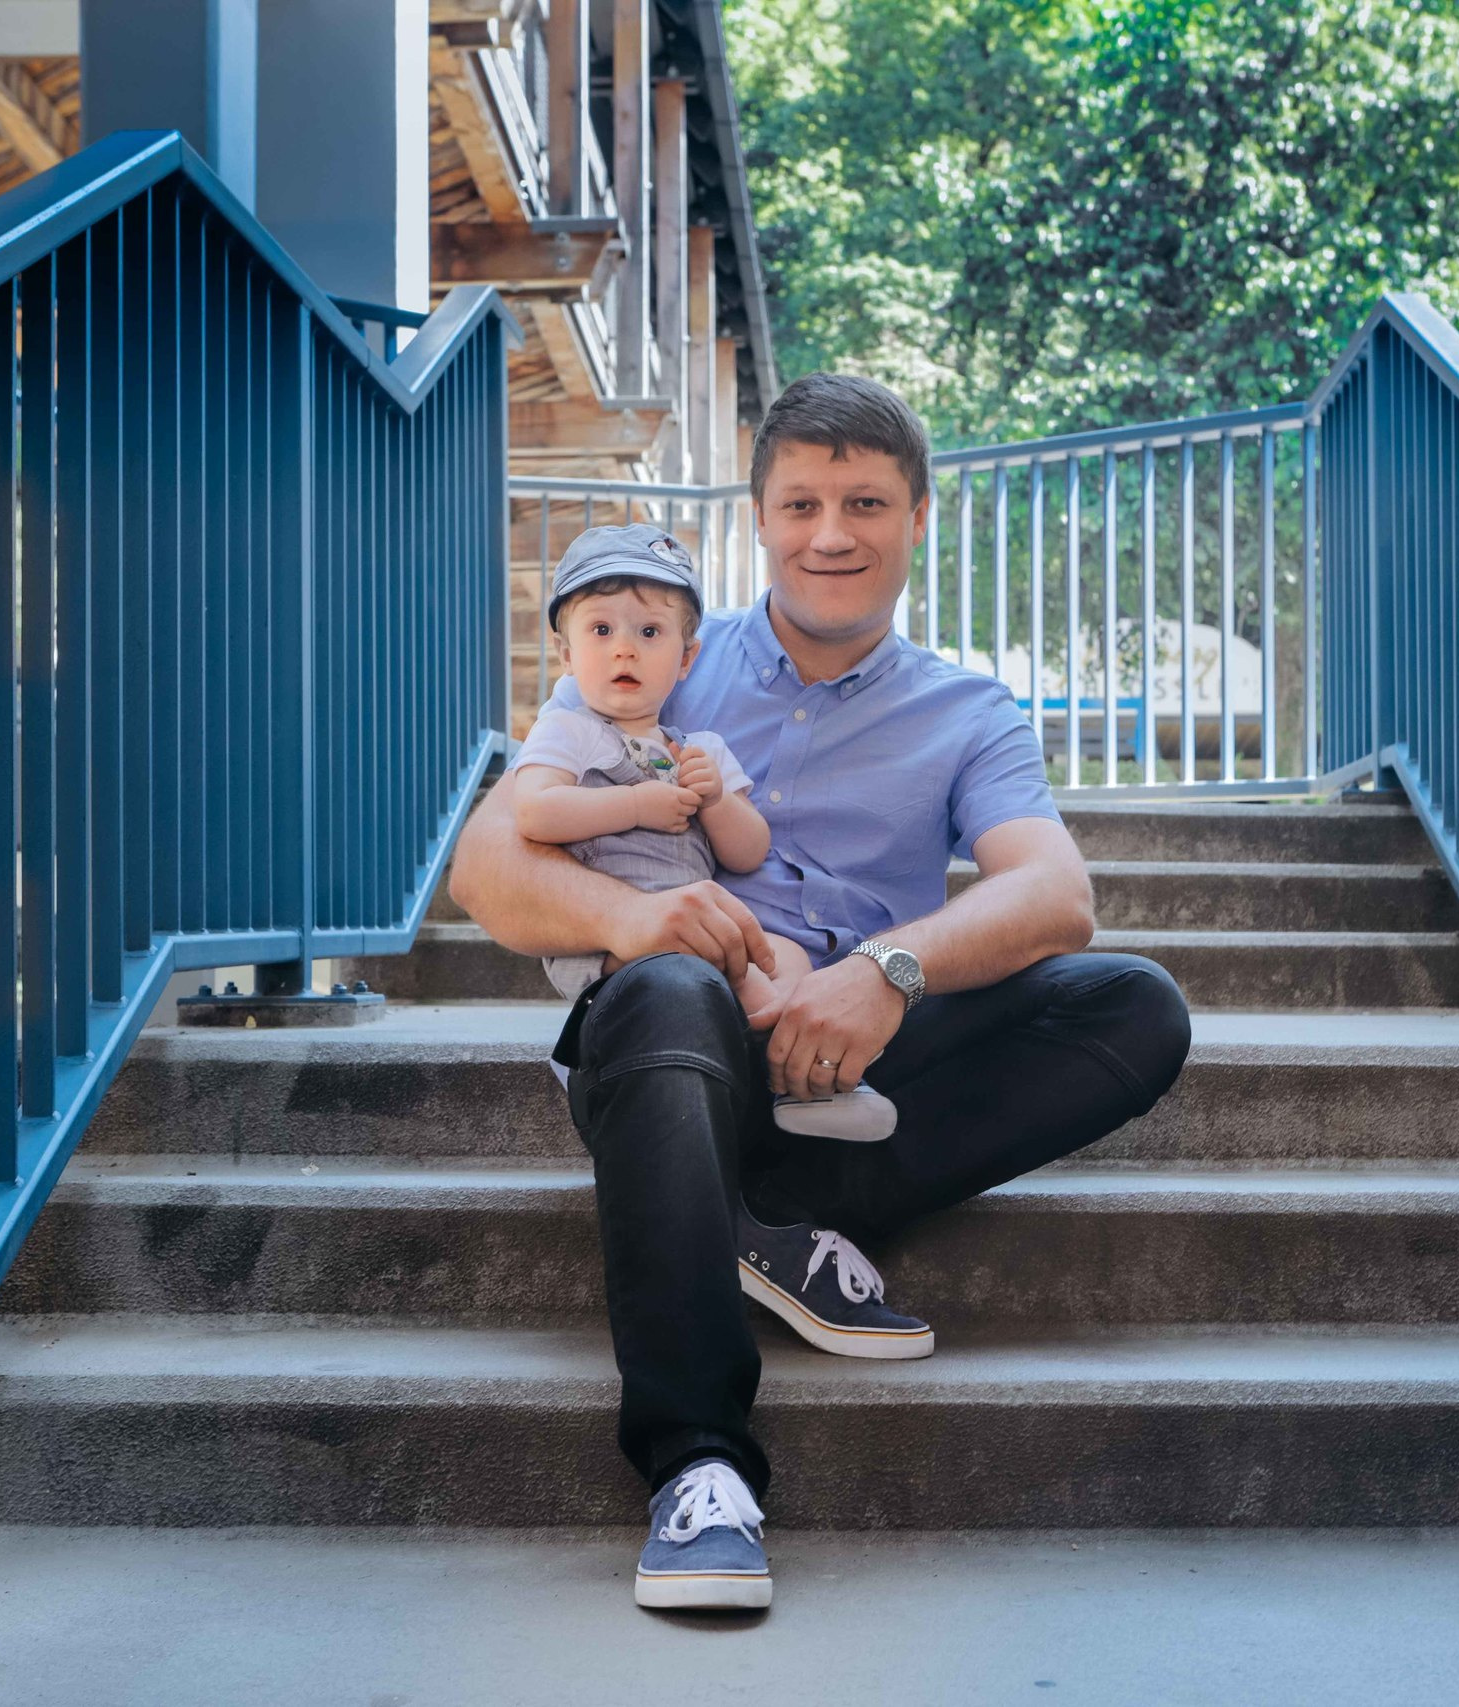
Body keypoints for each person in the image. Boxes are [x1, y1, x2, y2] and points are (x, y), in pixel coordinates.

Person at [449, 373, 1191, 1612]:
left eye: (864, 502)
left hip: (855, 1041)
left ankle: (780, 1218)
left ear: (917, 520)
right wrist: (642, 920)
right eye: (800, 503)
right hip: (681, 1043)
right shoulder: (654, 653)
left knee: (1132, 1004)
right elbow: (486, 863)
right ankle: (697, 1468)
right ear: (759, 518)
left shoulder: (969, 711)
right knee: (665, 989)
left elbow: (1055, 894)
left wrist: (884, 973)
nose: (830, 533)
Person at [513, 522, 899, 1141]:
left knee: (791, 955)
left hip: (698, 923)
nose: (624, 650)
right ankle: (807, 1077)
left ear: (687, 656)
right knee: (710, 959)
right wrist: (635, 805)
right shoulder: (570, 729)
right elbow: (534, 811)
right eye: (601, 630)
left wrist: (715, 798)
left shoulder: (699, 748)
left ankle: (793, 1060)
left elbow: (749, 852)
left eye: (649, 632)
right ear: (566, 652)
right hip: (610, 941)